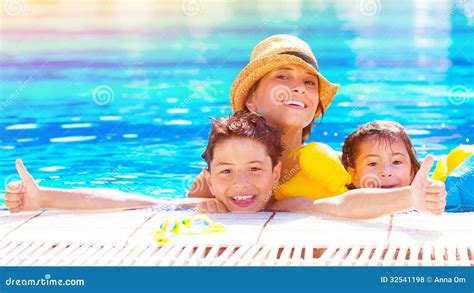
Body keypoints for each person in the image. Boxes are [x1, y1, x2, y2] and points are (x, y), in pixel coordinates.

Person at [189, 34, 447, 219]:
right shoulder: (217, 179)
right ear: (251, 99)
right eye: (282, 76)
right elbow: (177, 211)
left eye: (309, 83)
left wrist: (417, 196)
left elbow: (341, 204)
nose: (299, 87)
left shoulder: (338, 165)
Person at [4, 112, 282, 213]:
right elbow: (126, 200)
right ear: (209, 179)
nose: (240, 183)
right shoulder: (208, 204)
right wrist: (43, 197)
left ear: (275, 173)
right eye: (226, 171)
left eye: (254, 169)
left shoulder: (287, 205)